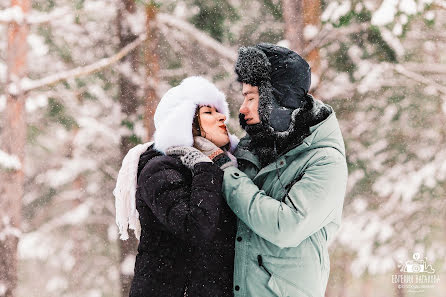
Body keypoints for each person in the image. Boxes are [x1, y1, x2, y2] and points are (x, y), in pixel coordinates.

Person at [194, 43, 348, 297]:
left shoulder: (324, 161)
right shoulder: (253, 148)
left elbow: (284, 226)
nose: (242, 109)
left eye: (252, 98)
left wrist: (226, 170)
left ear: (279, 101)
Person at [113, 76, 239, 297]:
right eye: (208, 113)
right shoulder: (158, 169)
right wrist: (204, 168)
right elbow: (196, 228)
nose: (222, 117)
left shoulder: (224, 166)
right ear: (184, 123)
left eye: (220, 111)